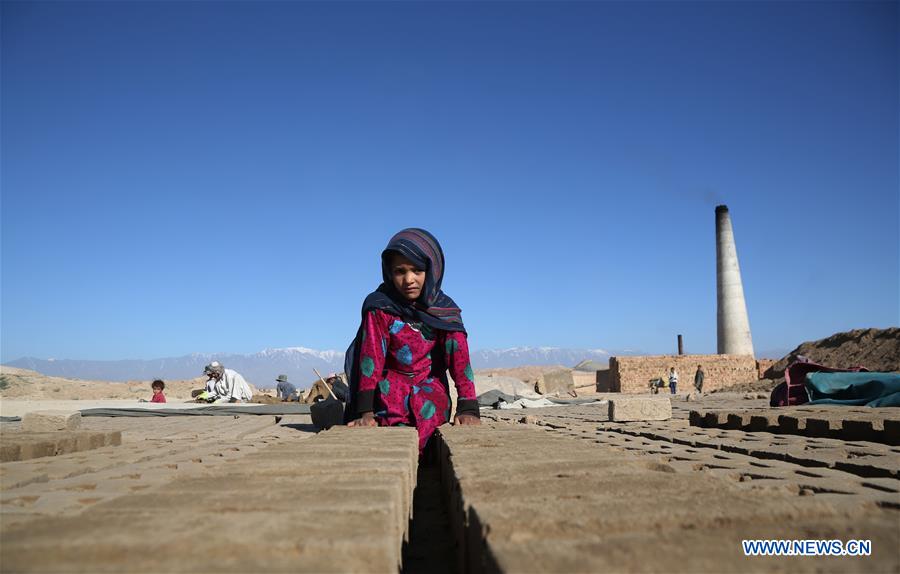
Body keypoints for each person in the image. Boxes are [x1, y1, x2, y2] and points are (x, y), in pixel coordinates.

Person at [346, 228, 480, 453]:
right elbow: (372, 356)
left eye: (417, 270)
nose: (409, 279)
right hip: (390, 383)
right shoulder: (380, 307)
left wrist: (468, 408)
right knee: (388, 410)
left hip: (429, 383)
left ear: (432, 270)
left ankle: (424, 459)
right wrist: (365, 412)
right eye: (400, 271)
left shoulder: (444, 312)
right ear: (389, 272)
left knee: (428, 409)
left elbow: (459, 359)